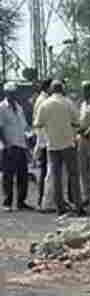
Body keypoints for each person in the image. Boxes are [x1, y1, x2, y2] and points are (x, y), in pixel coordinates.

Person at [34, 80, 83, 215]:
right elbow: (77, 122)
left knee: (56, 177)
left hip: (52, 146)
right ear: (62, 89)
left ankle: (59, 207)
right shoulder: (68, 103)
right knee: (73, 175)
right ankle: (78, 206)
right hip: (68, 144)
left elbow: (38, 124)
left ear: (51, 90)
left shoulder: (45, 104)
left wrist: (47, 133)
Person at [0, 82, 31, 211]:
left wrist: (28, 144)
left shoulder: (18, 107)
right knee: (8, 175)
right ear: (6, 93)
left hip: (21, 144)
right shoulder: (1, 107)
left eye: (14, 93)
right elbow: (0, 128)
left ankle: (21, 202)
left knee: (23, 175)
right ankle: (7, 203)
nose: (13, 95)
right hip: (9, 146)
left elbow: (24, 127)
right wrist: (6, 144)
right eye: (10, 93)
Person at [32, 78, 53, 210]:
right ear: (47, 87)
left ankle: (42, 200)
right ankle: (41, 200)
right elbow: (40, 123)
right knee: (45, 172)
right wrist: (42, 143)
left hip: (44, 140)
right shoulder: (43, 101)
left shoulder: (43, 99)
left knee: (46, 171)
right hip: (45, 141)